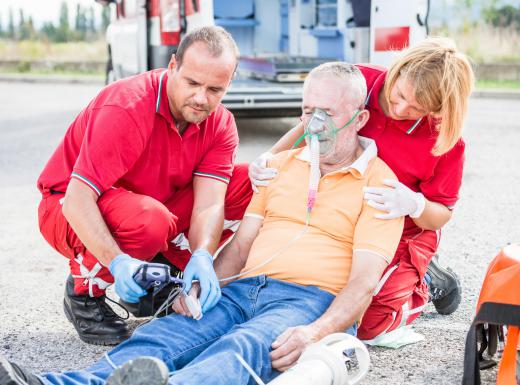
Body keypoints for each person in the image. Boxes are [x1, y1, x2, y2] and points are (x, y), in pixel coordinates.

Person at [1, 62, 403, 385]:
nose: (314, 123)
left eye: (327, 113)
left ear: (360, 117)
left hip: (307, 300)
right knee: (167, 335)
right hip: (244, 289)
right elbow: (242, 246)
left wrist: (315, 332)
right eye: (307, 110)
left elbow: (363, 284)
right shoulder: (279, 169)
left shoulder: (380, 186)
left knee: (240, 348)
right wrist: (200, 282)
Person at [35, 26, 252, 346]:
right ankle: (83, 294)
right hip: (68, 206)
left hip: (150, 204)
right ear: (173, 66)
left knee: (246, 184)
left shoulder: (220, 123)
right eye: (192, 83)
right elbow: (76, 200)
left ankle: (158, 282)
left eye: (215, 89)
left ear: (229, 83)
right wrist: (117, 262)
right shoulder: (127, 106)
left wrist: (203, 255)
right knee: (149, 220)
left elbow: (210, 203)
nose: (200, 98)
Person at [249, 36, 475, 341]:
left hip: (400, 227)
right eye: (399, 96)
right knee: (327, 298)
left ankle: (425, 284)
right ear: (398, 70)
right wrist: (271, 157)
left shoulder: (445, 140)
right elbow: (312, 124)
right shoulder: (361, 81)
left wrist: (415, 205)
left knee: (365, 323)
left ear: (437, 110)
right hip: (342, 211)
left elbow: (440, 214)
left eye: (415, 108)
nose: (400, 108)